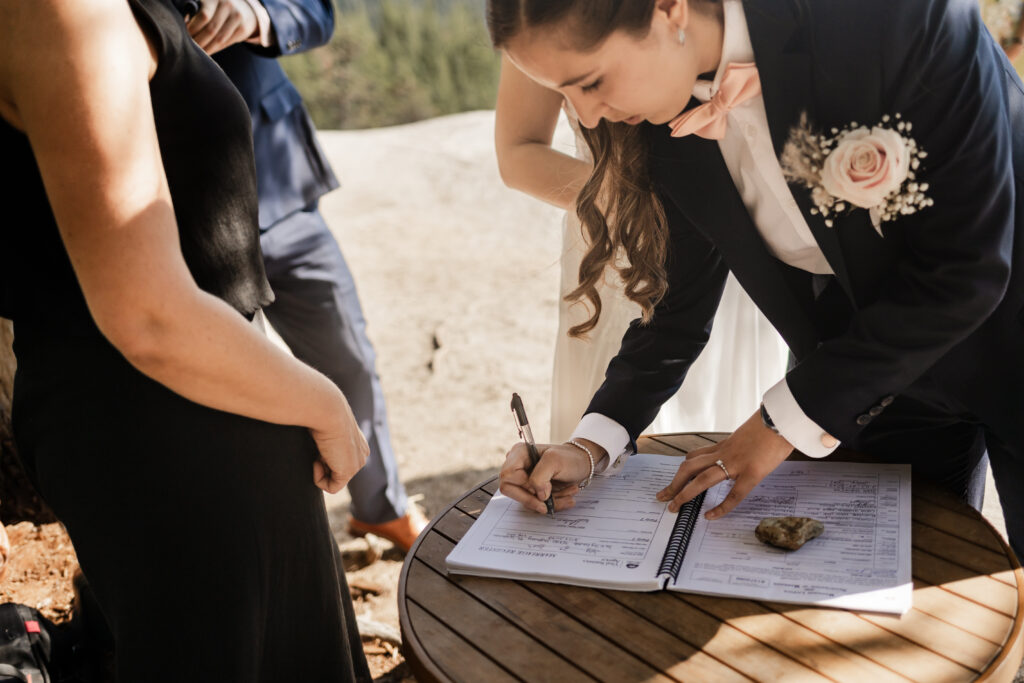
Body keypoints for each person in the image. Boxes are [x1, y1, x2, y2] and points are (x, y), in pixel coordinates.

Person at [489, 0, 1024, 558]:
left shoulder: (898, 16)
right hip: (869, 374)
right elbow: (677, 306)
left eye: (592, 82)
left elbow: (970, 267)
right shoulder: (656, 120)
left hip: (1014, 324)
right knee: (898, 578)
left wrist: (773, 426)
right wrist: (589, 446)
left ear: (668, 10)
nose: (588, 117)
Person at [0, 0, 371, 679]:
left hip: (198, 410)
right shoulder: (64, 12)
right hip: (166, 433)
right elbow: (148, 314)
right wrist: (323, 403)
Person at [179, 0, 426, 551]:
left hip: (279, 178)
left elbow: (315, 10)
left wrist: (256, 16)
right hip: (179, 208)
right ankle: (277, 546)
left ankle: (380, 508)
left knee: (350, 355)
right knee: (240, 386)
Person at [494, 56, 788, 440]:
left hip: (741, 245)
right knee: (626, 405)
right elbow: (518, 152)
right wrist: (646, 203)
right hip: (621, 247)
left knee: (734, 414)